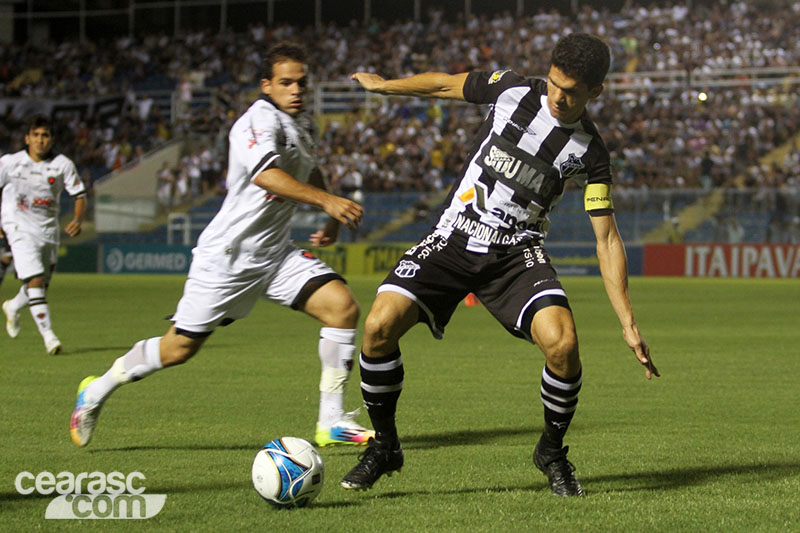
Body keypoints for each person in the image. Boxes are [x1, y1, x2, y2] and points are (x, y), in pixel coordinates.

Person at [342, 33, 659, 497]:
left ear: (597, 92)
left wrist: (628, 323)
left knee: (564, 344)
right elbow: (444, 86)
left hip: (516, 255)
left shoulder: (591, 153)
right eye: (554, 83)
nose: (557, 97)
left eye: (571, 91)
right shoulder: (510, 88)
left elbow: (606, 238)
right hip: (452, 239)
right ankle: (386, 446)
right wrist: (384, 86)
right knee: (377, 327)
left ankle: (551, 451)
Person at [70, 42, 374, 449]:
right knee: (178, 348)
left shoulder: (305, 125)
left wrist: (328, 216)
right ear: (267, 85)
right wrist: (327, 201)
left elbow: (310, 168)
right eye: (286, 82)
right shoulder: (255, 121)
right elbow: (267, 175)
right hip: (229, 257)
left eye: (302, 82)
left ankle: (331, 421)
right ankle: (96, 390)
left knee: (342, 308)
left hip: (275, 255)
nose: (296, 89)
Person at [0, 115, 86, 354]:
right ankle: (49, 337)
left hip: (47, 229)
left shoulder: (62, 165)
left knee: (40, 284)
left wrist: (77, 219)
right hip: (17, 225)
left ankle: (13, 306)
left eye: (45, 135)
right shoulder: (9, 163)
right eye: (35, 135)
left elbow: (79, 195)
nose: (40, 140)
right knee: (35, 280)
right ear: (27, 139)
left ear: (51, 139)